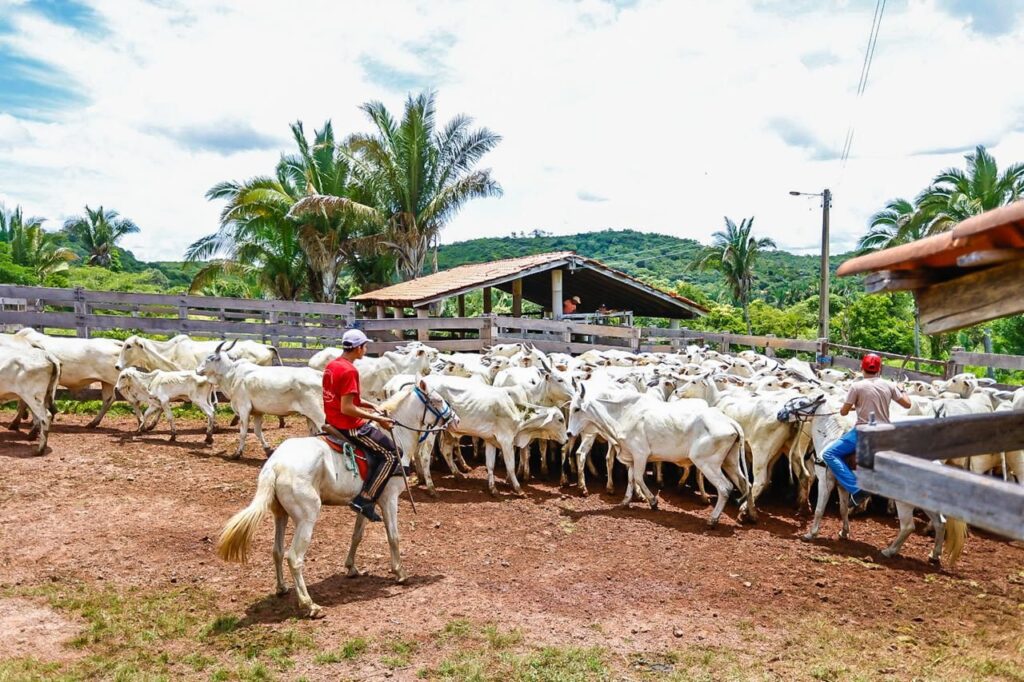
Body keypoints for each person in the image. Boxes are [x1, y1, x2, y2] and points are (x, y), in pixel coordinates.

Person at [322, 328, 400, 522]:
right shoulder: (350, 371)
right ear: (358, 348)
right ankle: (365, 499)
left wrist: (372, 405)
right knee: (392, 454)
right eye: (365, 346)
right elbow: (347, 408)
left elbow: (346, 398)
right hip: (349, 426)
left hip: (331, 420)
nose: (366, 349)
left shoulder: (333, 365)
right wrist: (378, 419)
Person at [821, 353, 912, 507]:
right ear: (880, 369)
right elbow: (907, 404)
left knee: (829, 454)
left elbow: (843, 412)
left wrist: (853, 406)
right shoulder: (889, 386)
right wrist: (901, 389)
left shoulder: (856, 386)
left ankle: (856, 489)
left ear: (861, 367)